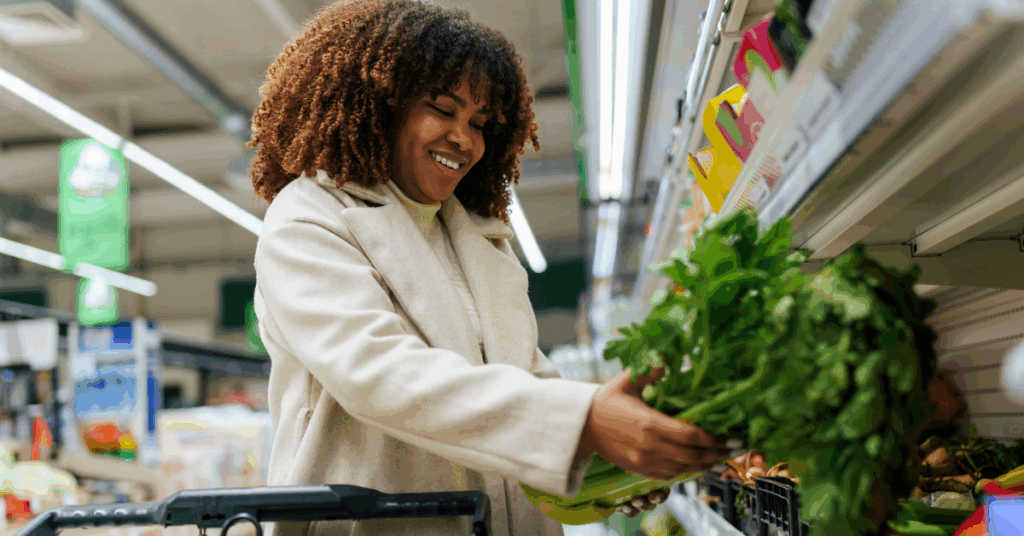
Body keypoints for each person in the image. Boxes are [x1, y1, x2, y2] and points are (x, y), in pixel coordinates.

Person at [248, 1, 730, 534]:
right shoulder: (310, 217)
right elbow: (379, 374)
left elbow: (526, 379)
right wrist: (584, 421)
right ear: (383, 103)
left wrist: (608, 466)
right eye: (442, 108)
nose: (464, 137)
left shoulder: (480, 237)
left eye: (480, 123)